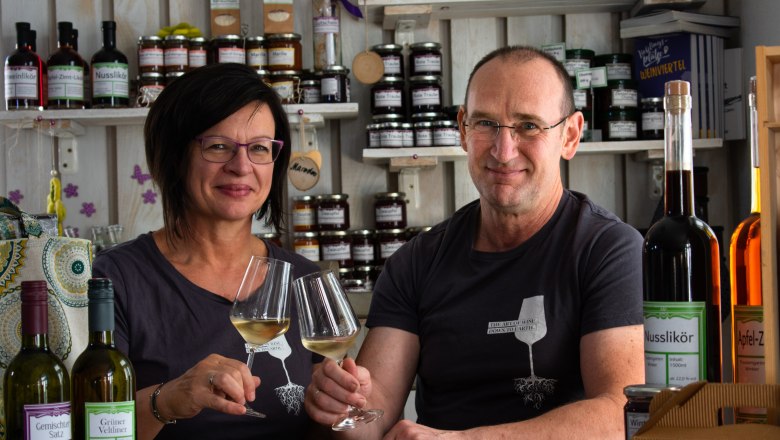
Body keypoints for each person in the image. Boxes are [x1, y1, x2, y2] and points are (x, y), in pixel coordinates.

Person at [304, 45, 644, 439]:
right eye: (486, 123)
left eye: (529, 126)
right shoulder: (415, 263)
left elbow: (621, 411)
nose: (504, 150)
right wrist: (341, 406)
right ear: (463, 128)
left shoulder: (609, 251)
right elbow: (373, 411)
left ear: (569, 136)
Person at [93, 63, 323, 439]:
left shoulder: (305, 280)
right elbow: (91, 427)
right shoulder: (114, 279)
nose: (241, 166)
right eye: (218, 146)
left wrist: (341, 406)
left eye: (260, 149)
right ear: (173, 156)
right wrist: (166, 400)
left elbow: (329, 424)